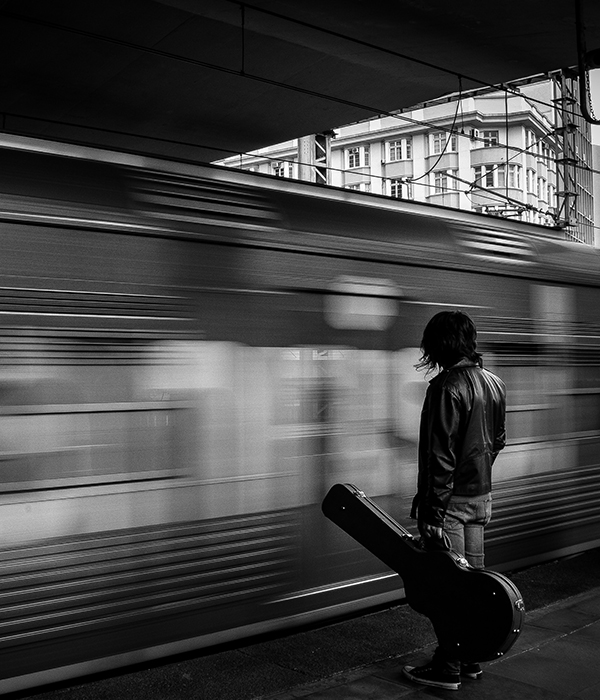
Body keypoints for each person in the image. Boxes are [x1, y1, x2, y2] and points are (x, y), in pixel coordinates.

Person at [402, 310, 506, 692]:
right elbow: (498, 440)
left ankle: (448, 666)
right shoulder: (494, 383)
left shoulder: (446, 386)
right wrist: (478, 473)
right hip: (481, 499)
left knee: (448, 588)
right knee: (473, 584)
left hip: (451, 506)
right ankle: (470, 658)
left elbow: (439, 456)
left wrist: (432, 512)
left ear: (440, 344)